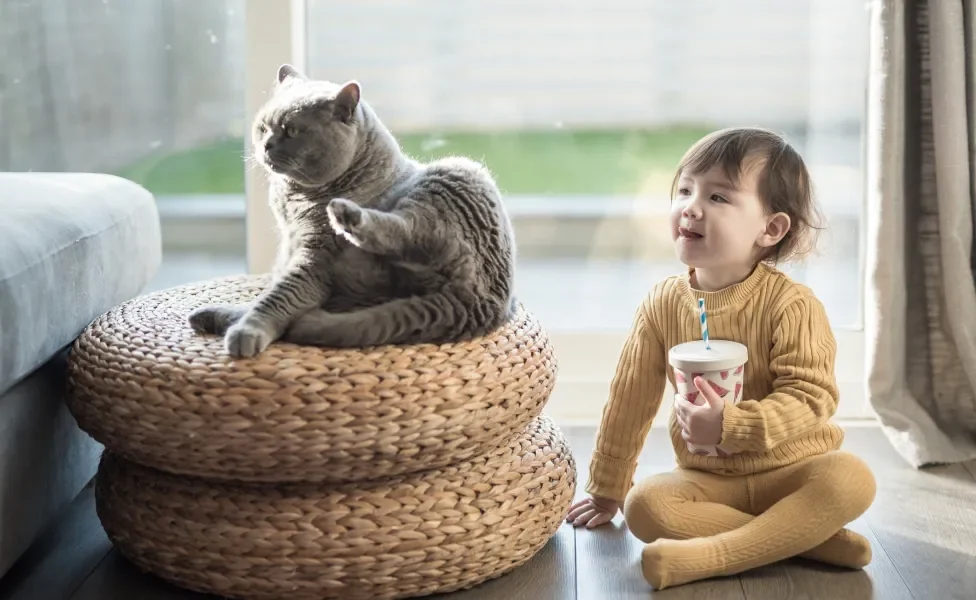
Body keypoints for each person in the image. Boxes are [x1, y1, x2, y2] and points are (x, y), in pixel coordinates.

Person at [565, 127, 877, 590]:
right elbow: (631, 399)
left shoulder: (792, 306)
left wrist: (731, 427)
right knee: (646, 507)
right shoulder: (662, 304)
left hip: (791, 472)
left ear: (770, 228)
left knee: (851, 478)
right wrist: (609, 487)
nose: (691, 206)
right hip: (709, 480)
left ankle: (713, 555)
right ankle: (806, 540)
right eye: (685, 189)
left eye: (718, 197)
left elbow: (812, 399)